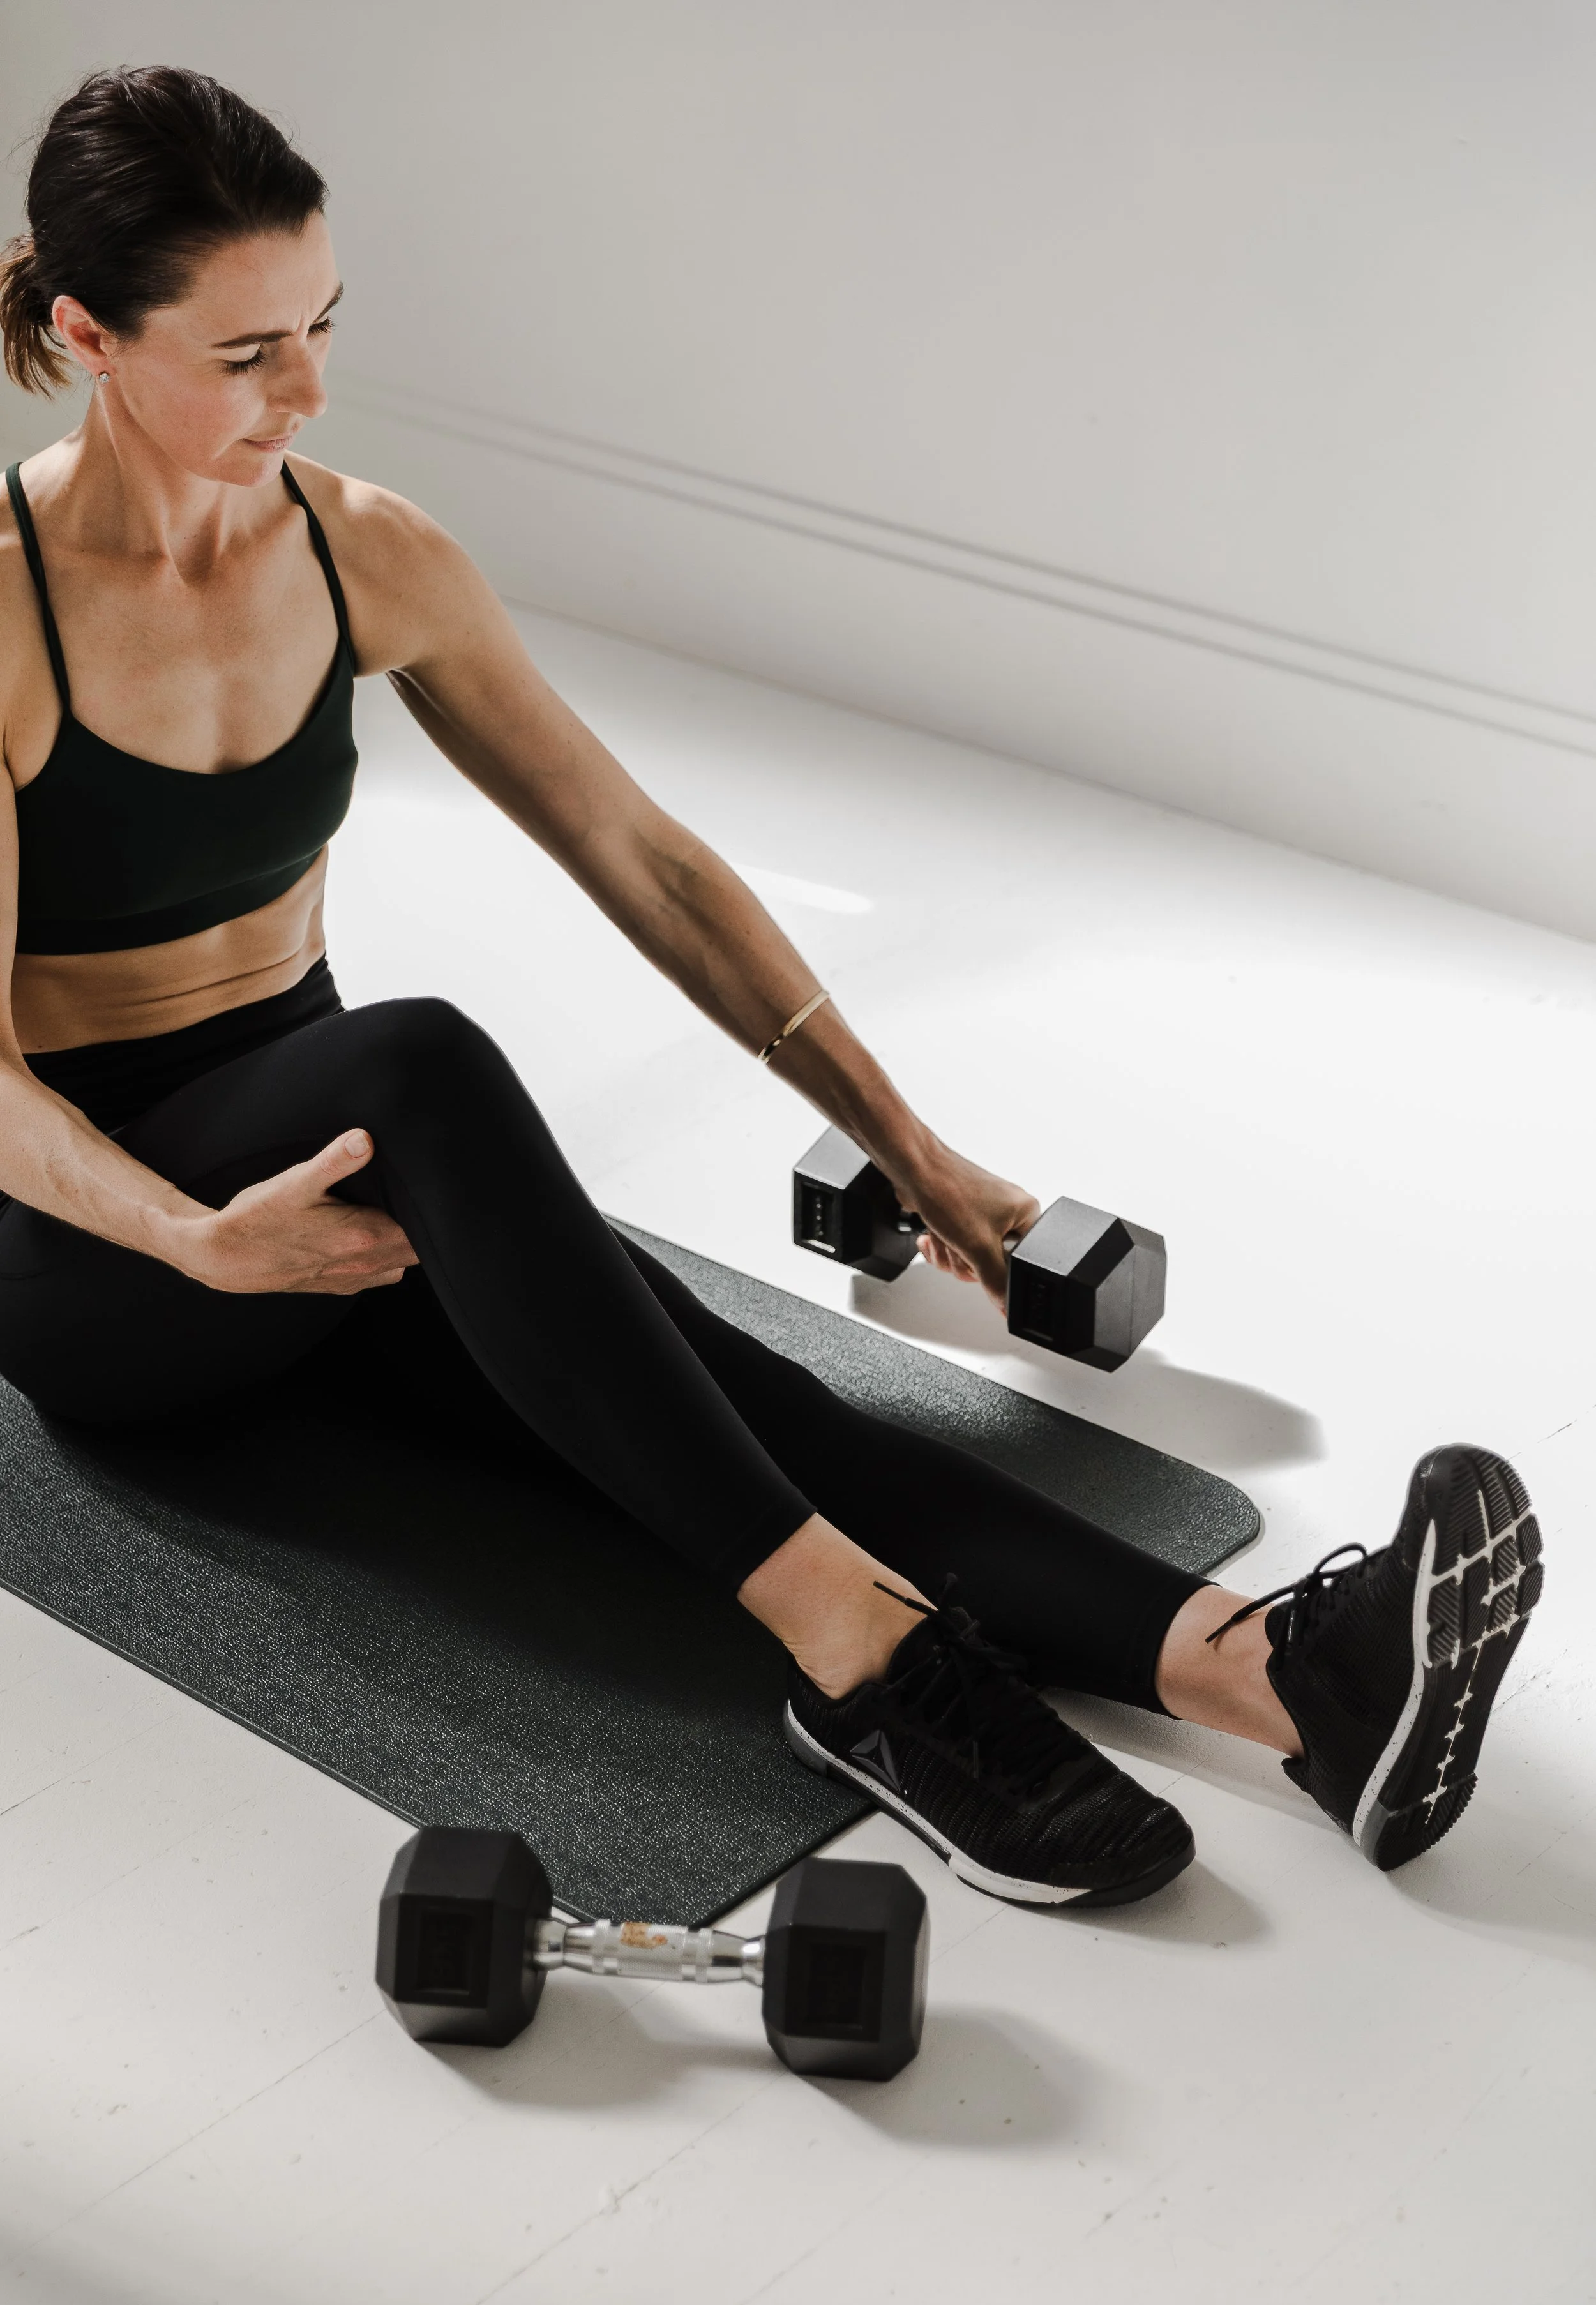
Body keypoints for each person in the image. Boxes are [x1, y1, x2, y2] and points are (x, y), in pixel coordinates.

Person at [0, 66, 1542, 1909]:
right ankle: (866, 1666)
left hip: (339, 1176)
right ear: (89, 334)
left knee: (709, 1385)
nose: (311, 388)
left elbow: (641, 857)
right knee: (410, 1058)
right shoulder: (12, 614)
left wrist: (910, 1141)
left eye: (322, 327)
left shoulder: (361, 549)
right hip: (103, 1262)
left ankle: (1283, 1672)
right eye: (248, 353)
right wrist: (188, 1240)